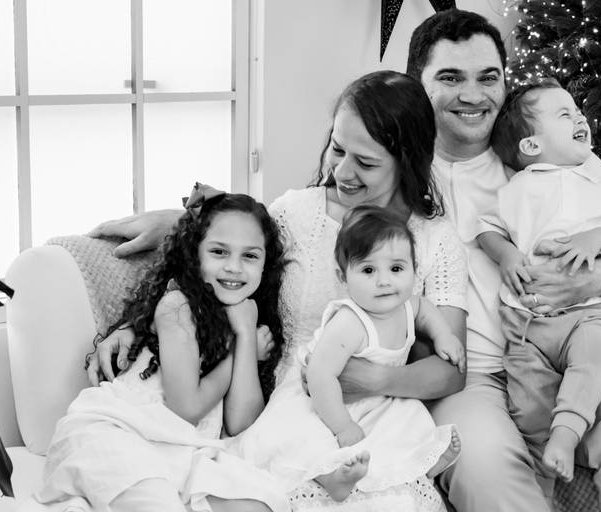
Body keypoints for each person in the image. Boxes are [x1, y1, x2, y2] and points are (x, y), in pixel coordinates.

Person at [88, 70, 468, 512]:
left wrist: (374, 379)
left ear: (407, 161)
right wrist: (134, 324)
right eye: (337, 149)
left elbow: (451, 371)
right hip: (287, 404)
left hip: (376, 411)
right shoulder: (298, 213)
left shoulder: (435, 239)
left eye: (365, 163)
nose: (342, 172)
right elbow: (230, 253)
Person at [406, 9, 601, 512]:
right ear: (417, 85)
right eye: (450, 78)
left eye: (488, 78)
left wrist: (595, 278)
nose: (473, 95)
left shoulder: (553, 155)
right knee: (485, 467)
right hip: (469, 379)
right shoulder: (396, 172)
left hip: (572, 342)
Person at [36, 185, 290, 512]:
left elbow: (240, 423)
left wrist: (244, 335)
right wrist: (242, 349)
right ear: (194, 254)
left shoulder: (245, 316)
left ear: (266, 264)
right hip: (122, 431)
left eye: (250, 256)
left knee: (263, 503)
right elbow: (186, 409)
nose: (234, 267)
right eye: (219, 252)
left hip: (183, 447)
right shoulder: (177, 306)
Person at [476, 77, 601, 484]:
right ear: (531, 146)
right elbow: (487, 228)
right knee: (527, 405)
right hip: (527, 323)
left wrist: (600, 237)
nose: (579, 117)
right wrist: (506, 255)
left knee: (591, 359)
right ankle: (543, 468)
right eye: (563, 114)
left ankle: (567, 432)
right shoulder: (518, 189)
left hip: (587, 315)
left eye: (576, 110)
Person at [234, 205, 462, 502]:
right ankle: (328, 476)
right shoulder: (349, 323)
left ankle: (422, 462)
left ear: (414, 270)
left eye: (396, 269)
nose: (384, 281)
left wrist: (444, 336)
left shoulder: (408, 305)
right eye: (368, 270)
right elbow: (320, 375)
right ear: (343, 277)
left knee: (408, 418)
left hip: (375, 399)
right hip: (322, 397)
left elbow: (425, 311)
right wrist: (342, 426)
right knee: (304, 436)